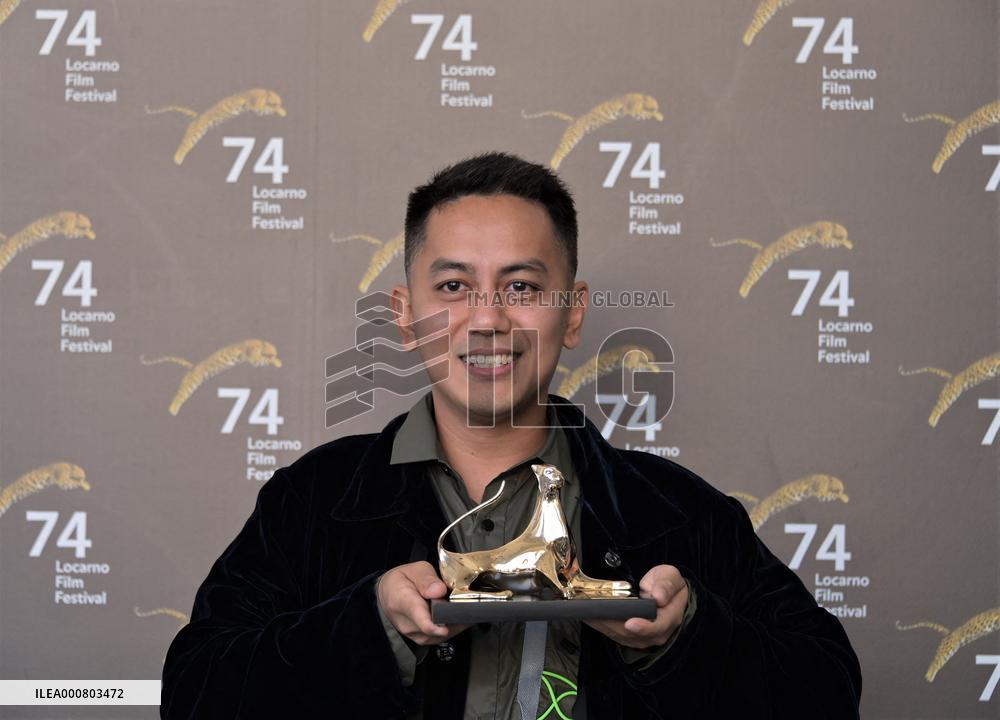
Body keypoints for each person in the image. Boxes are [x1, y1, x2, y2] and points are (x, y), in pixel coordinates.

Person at [161, 152, 862, 719]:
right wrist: (370, 627)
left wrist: (683, 638)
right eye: (454, 288)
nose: (488, 320)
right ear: (404, 316)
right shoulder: (313, 503)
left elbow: (829, 691)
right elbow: (194, 693)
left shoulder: (679, 513)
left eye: (522, 287)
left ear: (573, 311)